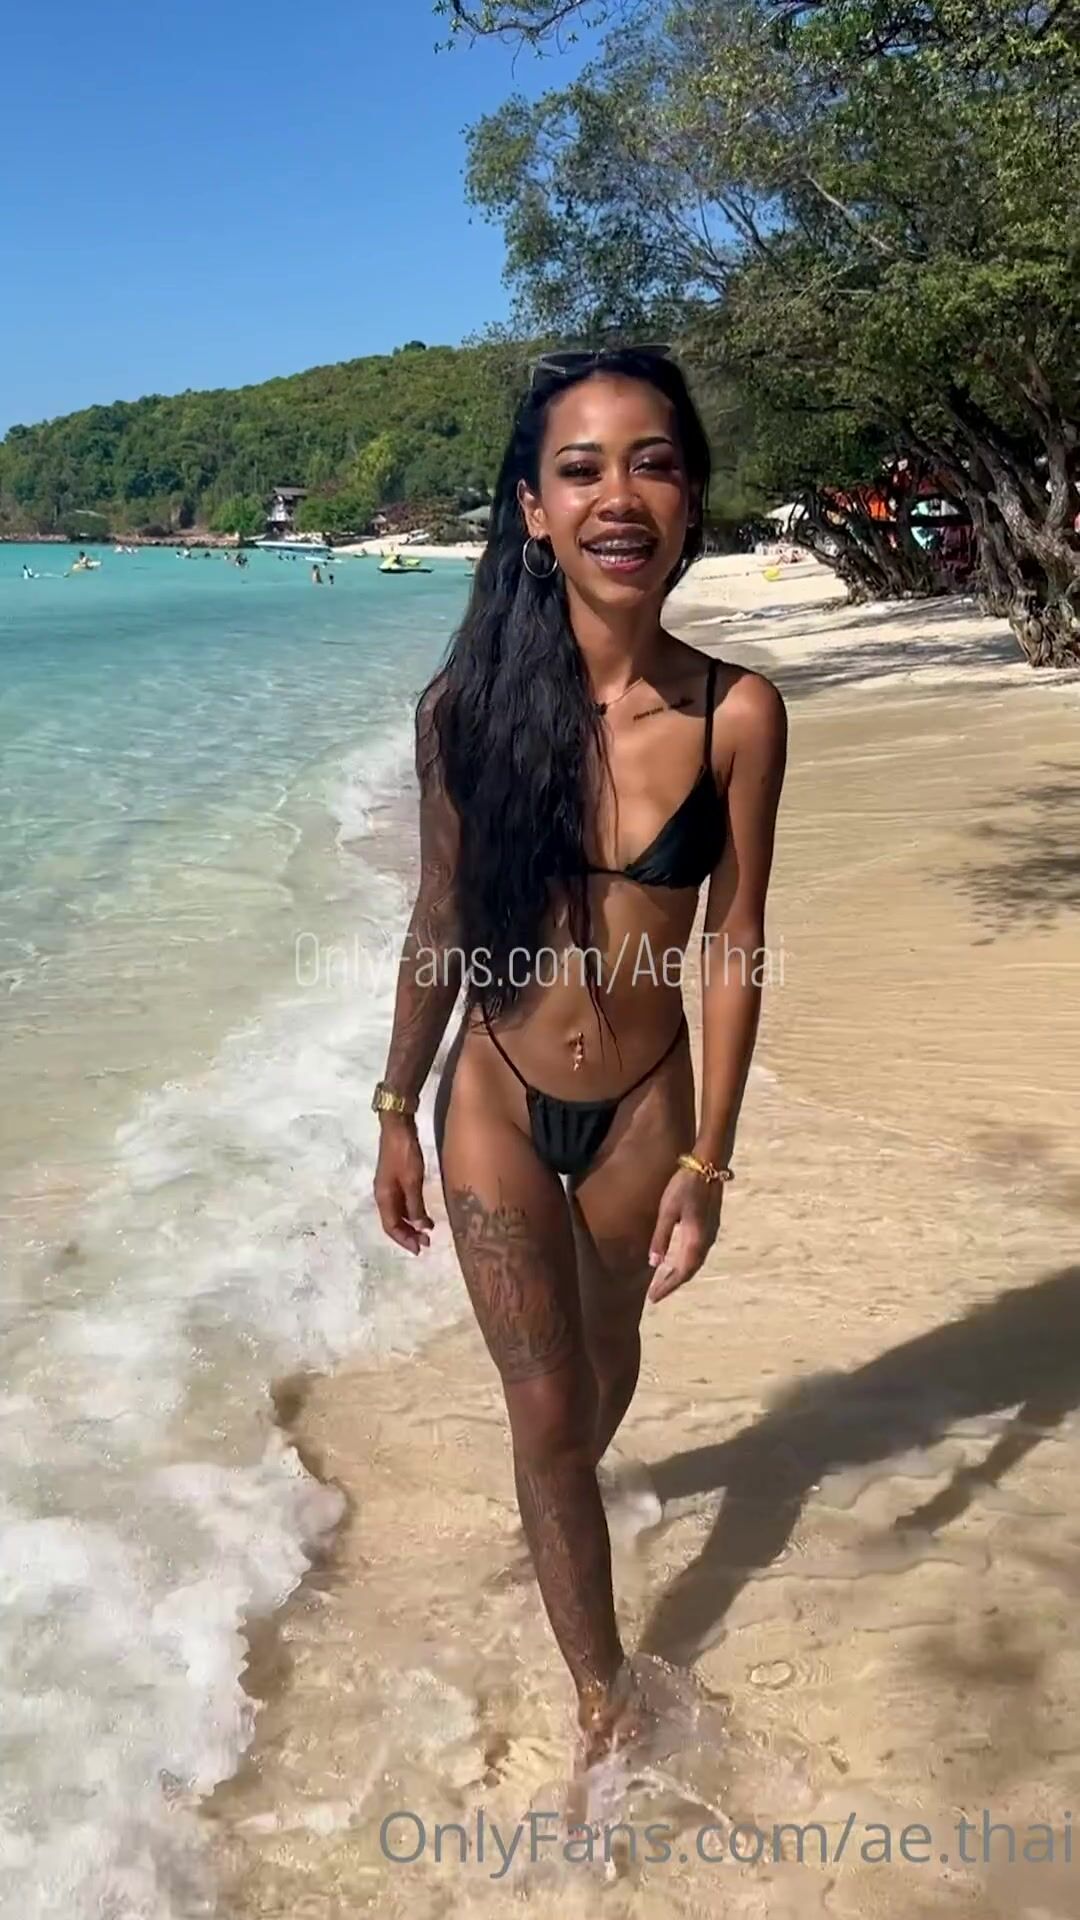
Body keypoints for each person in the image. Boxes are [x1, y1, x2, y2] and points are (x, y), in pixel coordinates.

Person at [372, 345, 787, 1765]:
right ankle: (605, 1708)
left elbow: (734, 941)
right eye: (581, 468)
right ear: (534, 511)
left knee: (605, 1370)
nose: (620, 495)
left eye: (653, 463)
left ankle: (557, 1508)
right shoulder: (463, 712)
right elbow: (439, 917)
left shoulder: (737, 715)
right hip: (493, 1092)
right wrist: (394, 1106)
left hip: (643, 1112)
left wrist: (709, 1161)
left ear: (691, 498)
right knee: (547, 1410)